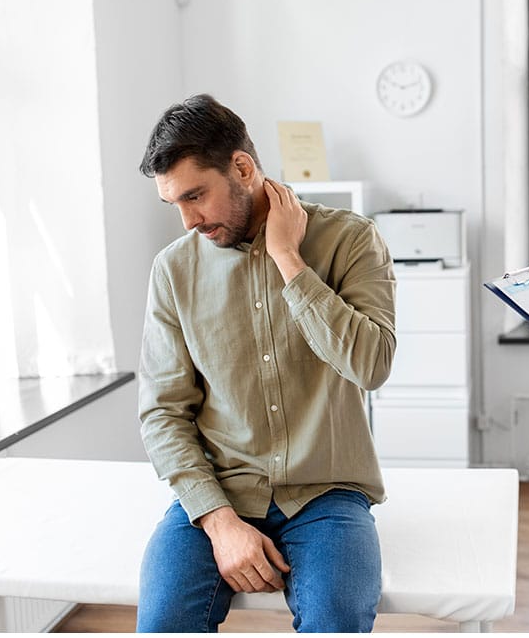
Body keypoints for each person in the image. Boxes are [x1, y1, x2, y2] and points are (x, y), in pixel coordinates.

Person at [134, 94, 396, 633]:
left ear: (243, 167)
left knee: (337, 622)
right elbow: (163, 413)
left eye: (195, 196)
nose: (187, 220)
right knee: (161, 624)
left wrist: (289, 263)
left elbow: (370, 366)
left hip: (326, 492)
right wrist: (218, 519)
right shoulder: (173, 271)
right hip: (217, 491)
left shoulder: (349, 239)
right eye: (175, 204)